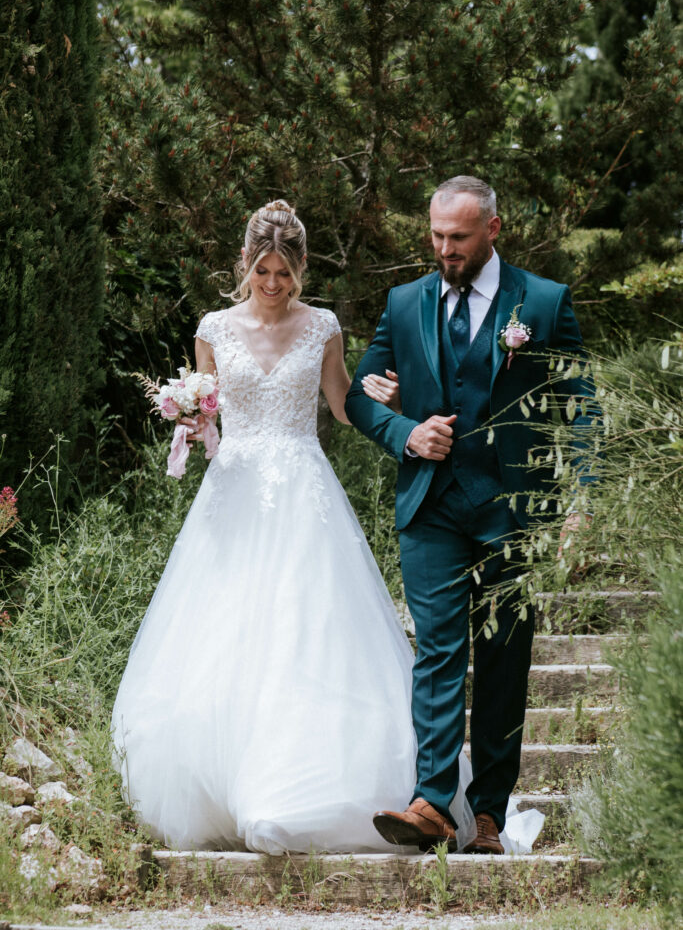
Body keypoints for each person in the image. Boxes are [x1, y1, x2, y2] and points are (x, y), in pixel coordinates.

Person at [112, 200, 493, 855]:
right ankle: (219, 784)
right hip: (232, 493)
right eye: (262, 270)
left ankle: (298, 788)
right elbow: (209, 413)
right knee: (225, 632)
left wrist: (375, 398)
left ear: (301, 269)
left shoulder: (322, 328)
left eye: (283, 272)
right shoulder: (212, 328)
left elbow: (341, 405)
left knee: (304, 628)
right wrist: (190, 417)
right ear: (244, 264)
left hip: (304, 489)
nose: (271, 283)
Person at [346, 176, 599, 854]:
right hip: (430, 505)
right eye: (434, 236)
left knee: (503, 658)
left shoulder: (542, 303)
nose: (443, 249)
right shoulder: (404, 304)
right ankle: (431, 801)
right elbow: (359, 397)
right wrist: (403, 432)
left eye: (456, 237)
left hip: (513, 509)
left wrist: (580, 496)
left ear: (493, 229)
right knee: (437, 650)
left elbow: (582, 406)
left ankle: (486, 811)